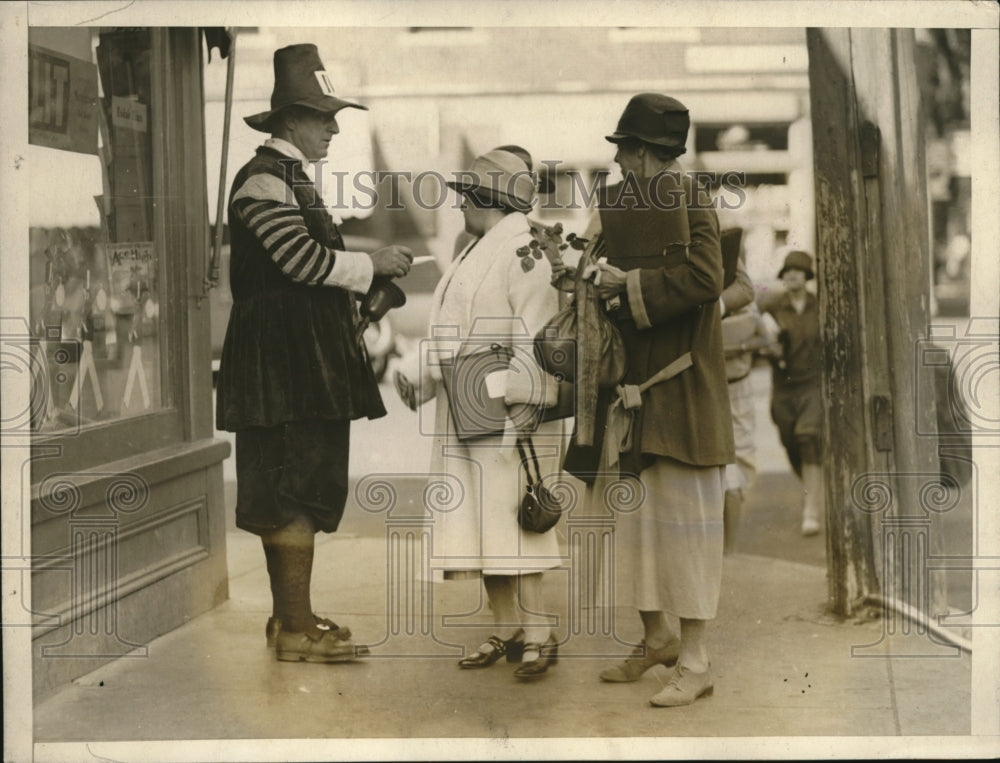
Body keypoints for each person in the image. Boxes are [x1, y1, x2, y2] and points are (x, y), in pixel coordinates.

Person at [215, 43, 413, 663]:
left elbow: (301, 265)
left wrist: (359, 289)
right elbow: (299, 260)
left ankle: (290, 619)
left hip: (290, 356)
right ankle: (296, 630)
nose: (332, 128)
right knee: (295, 486)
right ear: (291, 121)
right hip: (285, 360)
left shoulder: (287, 177)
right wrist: (370, 263)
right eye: (324, 117)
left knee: (293, 483)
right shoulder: (265, 178)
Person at [571, 93, 735, 707]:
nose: (618, 167)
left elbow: (705, 279)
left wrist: (627, 283)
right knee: (636, 527)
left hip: (682, 390)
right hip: (635, 392)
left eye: (623, 153)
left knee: (686, 531)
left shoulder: (689, 198)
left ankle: (695, 662)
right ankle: (657, 638)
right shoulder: (635, 204)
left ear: (642, 153)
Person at [394, 148, 563, 681]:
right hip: (469, 405)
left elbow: (539, 333)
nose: (461, 203)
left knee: (518, 518)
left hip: (510, 408)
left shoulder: (524, 250)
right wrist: (422, 377)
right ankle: (509, 625)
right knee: (480, 520)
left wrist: (526, 401)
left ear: (485, 198)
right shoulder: (478, 248)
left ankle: (538, 631)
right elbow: (451, 328)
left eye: (467, 194)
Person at [762, 250, 825, 536]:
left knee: (808, 437)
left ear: (807, 276)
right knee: (790, 442)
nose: (792, 275)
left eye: (798, 270)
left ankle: (811, 510)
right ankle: (816, 488)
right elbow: (758, 341)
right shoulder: (772, 308)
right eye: (787, 271)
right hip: (784, 388)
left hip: (812, 383)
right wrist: (770, 348)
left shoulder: (821, 305)